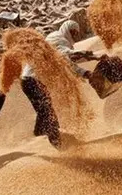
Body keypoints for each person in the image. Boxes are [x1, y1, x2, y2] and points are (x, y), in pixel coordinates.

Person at [20, 21, 93, 149]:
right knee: (48, 114)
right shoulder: (56, 37)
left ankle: (45, 136)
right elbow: (65, 52)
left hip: (32, 81)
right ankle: (58, 145)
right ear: (67, 30)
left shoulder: (62, 42)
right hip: (32, 80)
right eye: (73, 32)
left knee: (47, 111)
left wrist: (87, 73)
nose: (75, 36)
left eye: (77, 33)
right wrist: (86, 54)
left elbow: (69, 65)